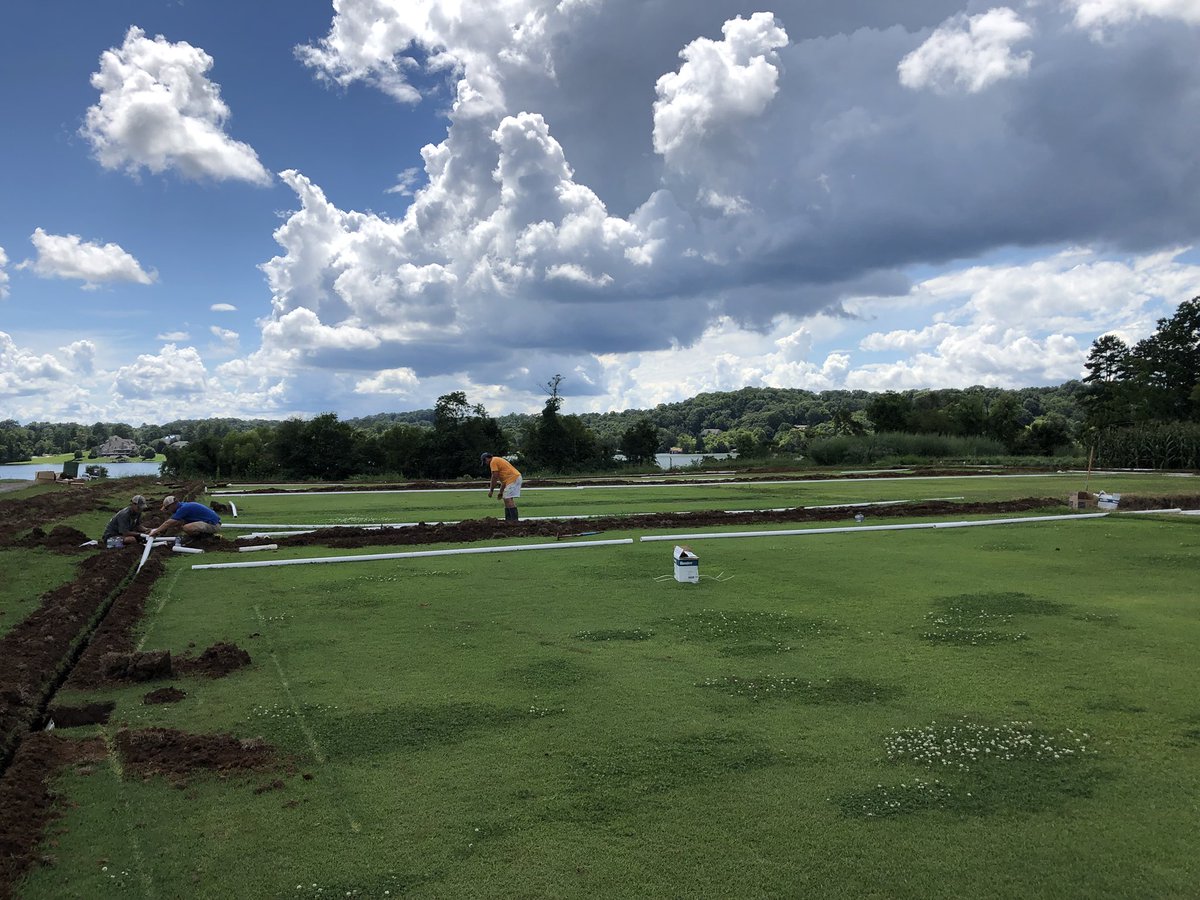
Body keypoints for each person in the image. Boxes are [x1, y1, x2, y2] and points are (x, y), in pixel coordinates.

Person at [149, 495, 222, 541]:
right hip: (212, 522)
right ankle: (204, 536)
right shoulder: (183, 506)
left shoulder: (184, 508)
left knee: (186, 528)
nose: (168, 511)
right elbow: (176, 523)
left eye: (167, 508)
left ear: (173, 505)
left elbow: (169, 522)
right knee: (179, 524)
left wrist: (156, 531)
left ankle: (203, 538)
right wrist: (162, 530)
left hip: (214, 525)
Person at [481, 452, 522, 522]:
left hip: (513, 479)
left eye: (484, 461)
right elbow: (504, 482)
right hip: (514, 478)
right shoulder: (497, 460)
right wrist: (500, 492)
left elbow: (494, 477)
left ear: (487, 458)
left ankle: (514, 521)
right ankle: (509, 520)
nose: (485, 463)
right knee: (506, 498)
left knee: (508, 498)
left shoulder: (493, 462)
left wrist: (491, 490)